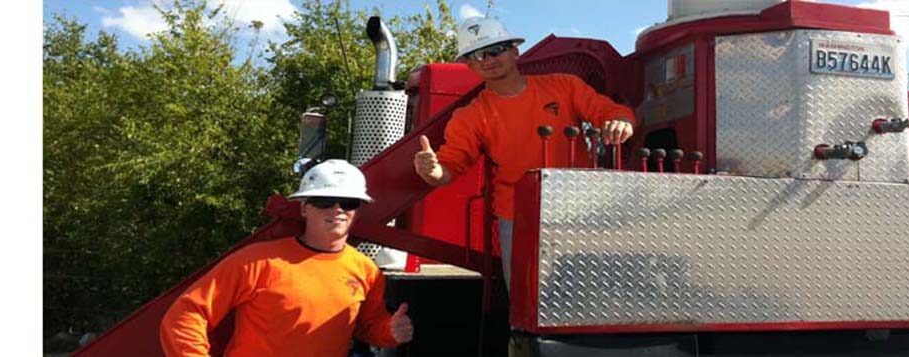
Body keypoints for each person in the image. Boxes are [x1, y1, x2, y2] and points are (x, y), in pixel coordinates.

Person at [413, 17, 637, 289]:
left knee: (589, 291)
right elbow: (449, 167)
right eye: (478, 55)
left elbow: (610, 112)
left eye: (496, 50)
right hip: (519, 215)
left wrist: (621, 121)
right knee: (526, 299)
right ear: (469, 65)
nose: (488, 59)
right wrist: (433, 170)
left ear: (515, 51)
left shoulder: (564, 86)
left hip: (581, 208)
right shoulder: (470, 116)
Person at [161, 159, 414, 356]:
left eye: (348, 202)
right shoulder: (257, 261)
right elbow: (185, 315)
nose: (337, 209)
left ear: (356, 211)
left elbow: (367, 327)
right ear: (304, 208)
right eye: (324, 201)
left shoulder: (367, 272)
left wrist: (390, 331)